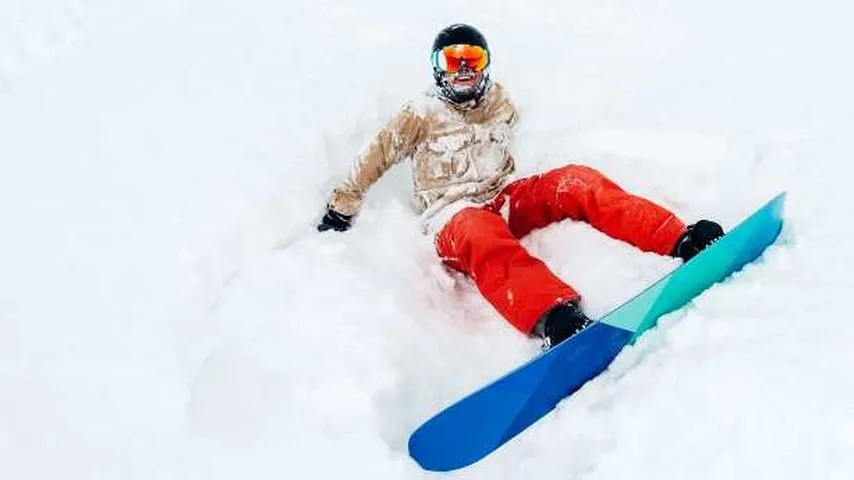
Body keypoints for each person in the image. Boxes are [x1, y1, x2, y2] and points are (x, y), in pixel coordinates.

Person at [318, 24, 724, 348]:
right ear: (437, 67)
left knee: (575, 180)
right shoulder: (419, 114)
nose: (463, 69)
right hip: (453, 219)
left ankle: (679, 238)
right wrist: (342, 207)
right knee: (482, 233)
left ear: (485, 64)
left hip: (503, 198)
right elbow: (373, 158)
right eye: (453, 59)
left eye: (472, 59)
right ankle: (553, 315)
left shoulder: (498, 101)